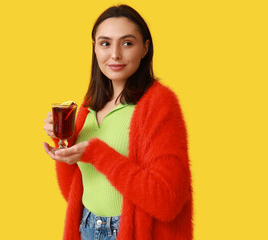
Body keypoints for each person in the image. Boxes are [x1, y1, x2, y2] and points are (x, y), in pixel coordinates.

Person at [43, 4, 193, 240]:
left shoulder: (159, 103)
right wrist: (64, 141)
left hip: (129, 231)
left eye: (127, 43)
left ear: (145, 48)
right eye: (105, 43)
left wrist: (97, 154)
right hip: (86, 227)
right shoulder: (89, 104)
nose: (115, 54)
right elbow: (73, 191)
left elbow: (167, 200)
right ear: (94, 48)